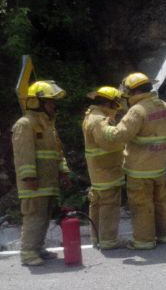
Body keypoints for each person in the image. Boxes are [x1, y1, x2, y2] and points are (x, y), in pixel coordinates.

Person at [100, 73, 166, 250]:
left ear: (133, 92)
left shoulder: (137, 111)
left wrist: (104, 127)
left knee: (141, 205)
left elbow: (120, 135)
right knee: (160, 203)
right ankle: (165, 235)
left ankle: (144, 241)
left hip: (139, 171)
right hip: (159, 168)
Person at [12, 80, 71, 266]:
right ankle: (28, 253)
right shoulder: (25, 124)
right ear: (36, 102)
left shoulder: (48, 126)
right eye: (49, 102)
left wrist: (63, 172)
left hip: (48, 182)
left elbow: (57, 153)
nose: (53, 106)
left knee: (44, 217)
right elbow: (24, 154)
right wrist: (29, 177)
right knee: (34, 217)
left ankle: (38, 248)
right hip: (34, 183)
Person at [82, 86, 126, 250]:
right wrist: (123, 135)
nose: (117, 109)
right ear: (109, 103)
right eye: (116, 105)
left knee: (97, 203)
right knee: (110, 204)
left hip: (98, 170)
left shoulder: (92, 116)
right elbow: (107, 142)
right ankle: (108, 240)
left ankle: (97, 238)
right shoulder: (100, 120)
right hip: (107, 169)